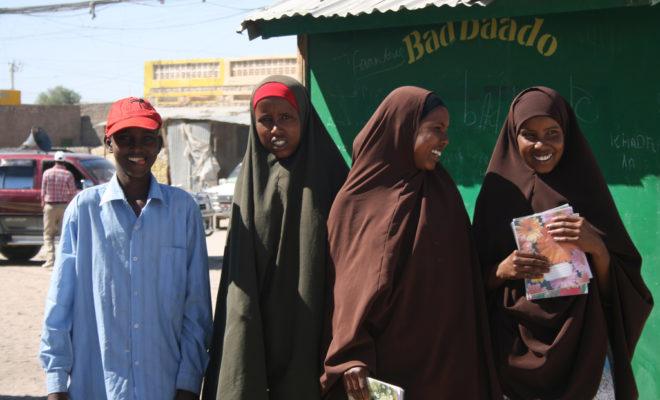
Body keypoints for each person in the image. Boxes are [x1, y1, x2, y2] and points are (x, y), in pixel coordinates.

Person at [472, 86, 653, 399]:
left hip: (584, 353)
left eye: (553, 132)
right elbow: (468, 283)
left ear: (567, 134)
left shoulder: (588, 191)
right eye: (529, 134)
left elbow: (622, 294)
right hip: (511, 359)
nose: (542, 144)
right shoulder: (497, 195)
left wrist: (597, 248)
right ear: (514, 137)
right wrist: (502, 270)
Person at [321, 86, 501, 400]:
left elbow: (463, 272)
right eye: (435, 129)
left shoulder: (443, 193)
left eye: (446, 130)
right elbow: (347, 286)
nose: (445, 140)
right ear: (402, 128)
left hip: (447, 364)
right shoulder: (356, 200)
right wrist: (351, 352)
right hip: (385, 366)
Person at [39, 97, 213, 400]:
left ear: (158, 145)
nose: (137, 149)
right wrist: (56, 383)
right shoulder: (84, 210)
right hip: (97, 385)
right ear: (109, 143)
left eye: (147, 139)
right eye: (125, 139)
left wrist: (188, 381)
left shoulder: (182, 210)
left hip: (165, 385)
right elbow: (60, 304)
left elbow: (196, 307)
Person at [202, 76, 348, 400]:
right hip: (258, 330)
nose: (275, 129)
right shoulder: (250, 183)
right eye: (265, 120)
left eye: (286, 118)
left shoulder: (334, 179)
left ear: (304, 119)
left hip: (316, 330)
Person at [41, 151, 77, 269]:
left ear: (55, 160)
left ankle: (50, 261)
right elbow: (72, 192)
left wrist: (43, 204)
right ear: (64, 161)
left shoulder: (47, 173)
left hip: (50, 206)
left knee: (48, 235)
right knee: (64, 235)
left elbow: (43, 191)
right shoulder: (68, 174)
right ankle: (62, 261)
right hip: (63, 206)